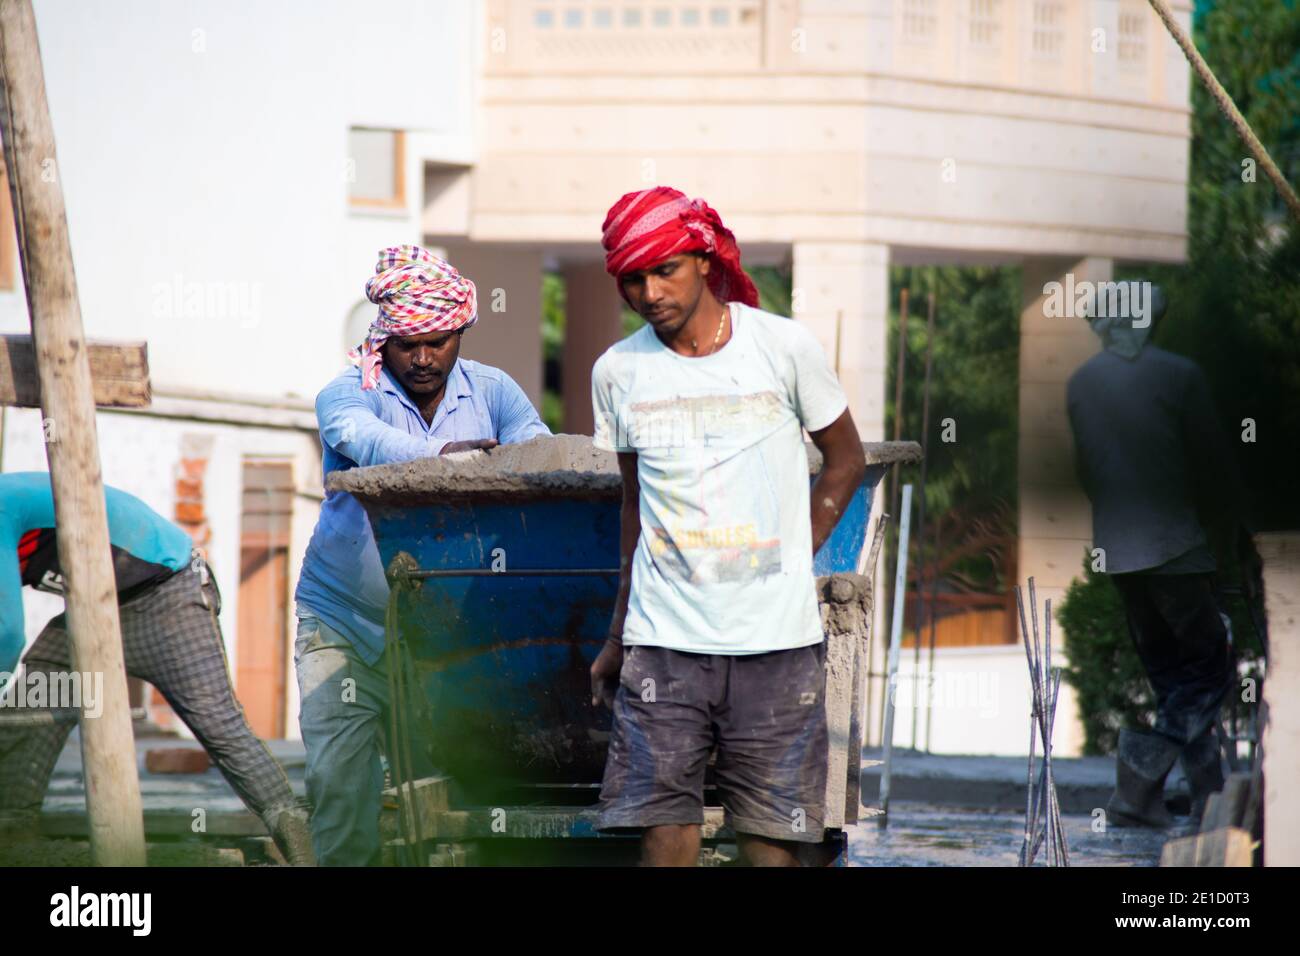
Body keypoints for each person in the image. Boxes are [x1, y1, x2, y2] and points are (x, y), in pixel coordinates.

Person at [588, 187, 867, 866]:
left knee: (772, 842)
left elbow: (845, 460)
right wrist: (619, 633)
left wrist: (791, 557)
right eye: (634, 278)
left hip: (776, 645)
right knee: (662, 833)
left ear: (704, 261)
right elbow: (634, 505)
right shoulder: (618, 372)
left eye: (666, 270)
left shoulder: (782, 347)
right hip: (663, 644)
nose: (650, 292)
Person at [294, 245, 550, 865]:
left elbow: (543, 462)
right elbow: (364, 439)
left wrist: (503, 465)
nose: (423, 357)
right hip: (343, 624)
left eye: (438, 341)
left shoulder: (498, 393)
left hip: (450, 634)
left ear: (460, 330)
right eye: (408, 344)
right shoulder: (346, 393)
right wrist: (450, 463)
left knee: (447, 786)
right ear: (384, 338)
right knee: (339, 786)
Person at [0, 472, 313, 864]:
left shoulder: (1, 506)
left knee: (220, 727)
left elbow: (6, 634)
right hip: (94, 610)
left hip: (167, 595)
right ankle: (12, 835)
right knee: (32, 707)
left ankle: (304, 847)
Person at [1066, 282, 1245, 827]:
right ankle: (1138, 781)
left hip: (1119, 552)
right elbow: (1214, 469)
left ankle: (1211, 798)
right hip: (1177, 548)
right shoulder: (1177, 375)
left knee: (1174, 681)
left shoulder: (1082, 382)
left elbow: (1087, 474)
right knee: (1211, 671)